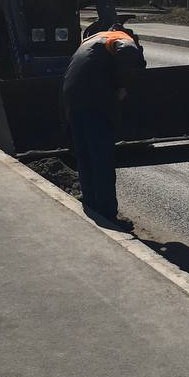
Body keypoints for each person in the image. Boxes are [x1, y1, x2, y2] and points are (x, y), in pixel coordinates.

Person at [62, 28, 146, 228]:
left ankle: (92, 206)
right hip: (94, 101)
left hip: (72, 99)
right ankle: (108, 215)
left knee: (86, 157)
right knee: (102, 159)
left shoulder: (90, 42)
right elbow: (129, 52)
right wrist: (125, 86)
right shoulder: (122, 39)